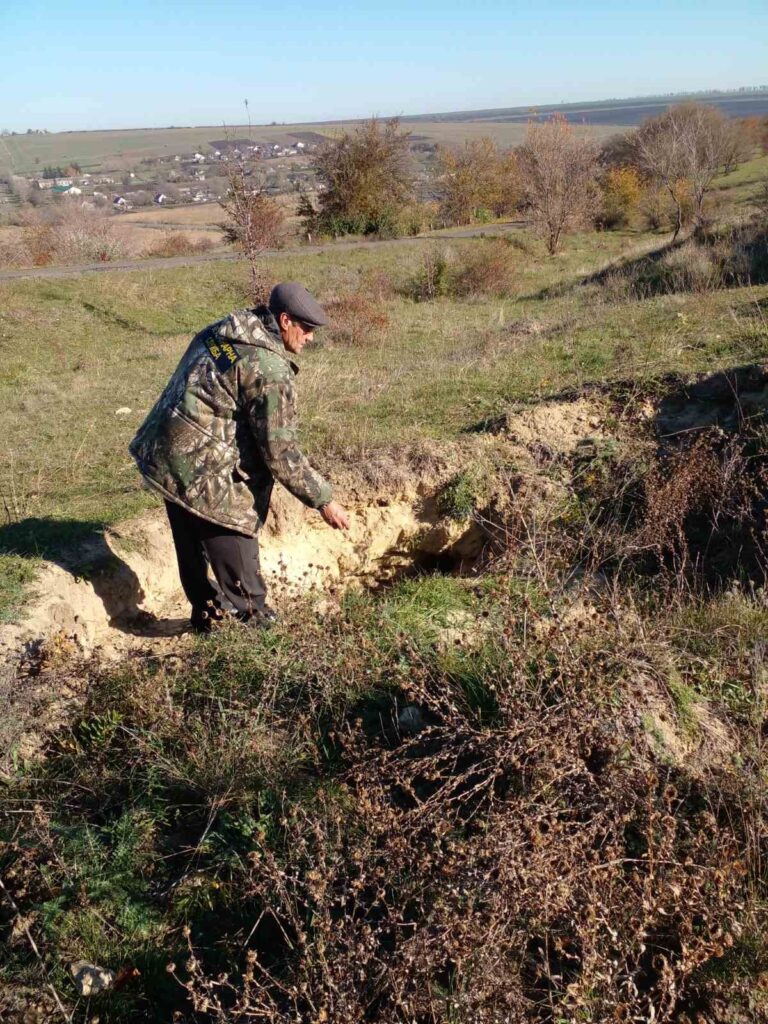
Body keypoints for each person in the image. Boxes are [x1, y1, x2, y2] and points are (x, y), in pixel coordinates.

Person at [129, 282, 349, 632]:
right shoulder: (269, 370)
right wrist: (324, 500)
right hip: (207, 472)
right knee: (243, 577)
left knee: (191, 550)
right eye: (306, 330)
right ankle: (259, 640)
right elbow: (281, 452)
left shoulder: (222, 331)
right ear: (285, 320)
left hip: (167, 455)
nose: (310, 339)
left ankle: (207, 620)